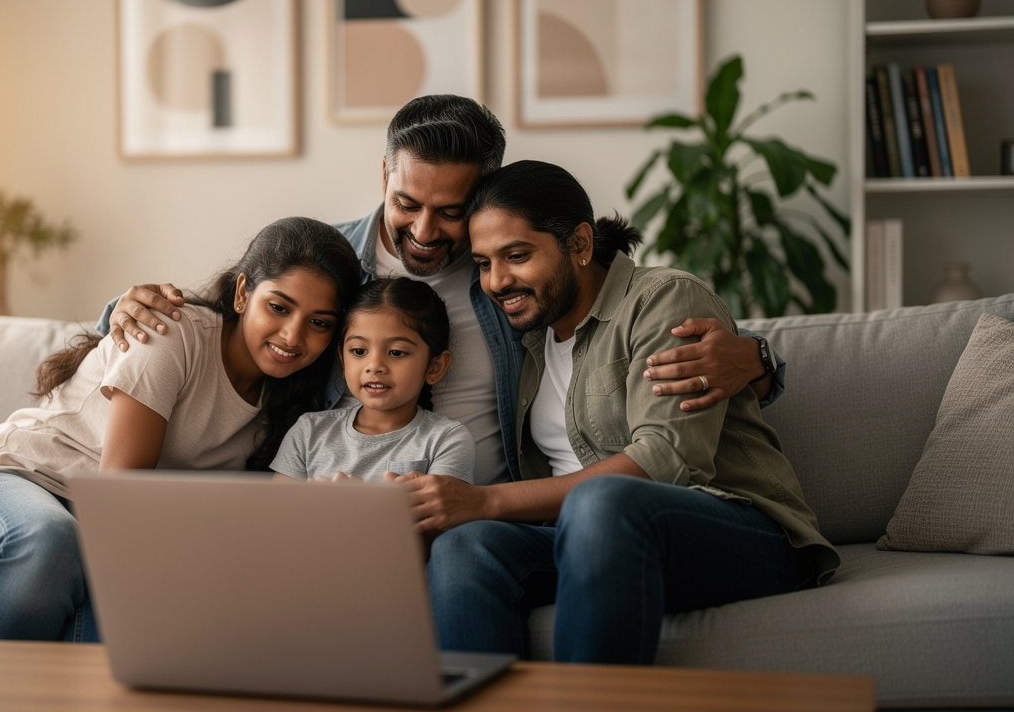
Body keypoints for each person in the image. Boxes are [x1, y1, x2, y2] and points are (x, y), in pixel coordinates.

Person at [100, 95, 783, 490]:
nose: (425, 231)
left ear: (483, 195)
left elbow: (620, 306)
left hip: (483, 505)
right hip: (336, 508)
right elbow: (232, 317)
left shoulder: (511, 277)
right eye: (407, 202)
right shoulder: (330, 262)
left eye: (451, 210)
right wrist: (121, 310)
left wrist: (757, 358)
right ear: (385, 177)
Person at [419, 160, 839, 664]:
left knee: (599, 503)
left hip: (737, 533)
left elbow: (665, 459)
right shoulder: (525, 336)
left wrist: (483, 501)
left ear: (579, 244)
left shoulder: (662, 298)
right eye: (484, 263)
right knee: (464, 548)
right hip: (587, 545)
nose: (496, 281)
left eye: (517, 255)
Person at [0, 218, 362, 642]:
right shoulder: (171, 332)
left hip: (90, 534)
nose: (292, 335)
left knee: (136, 634)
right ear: (244, 292)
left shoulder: (293, 407)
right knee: (51, 541)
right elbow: (121, 496)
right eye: (279, 307)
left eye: (319, 323)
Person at [271, 277, 474, 484]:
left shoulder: (447, 440)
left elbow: (440, 512)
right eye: (359, 351)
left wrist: (358, 505)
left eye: (396, 352)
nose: (374, 365)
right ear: (343, 359)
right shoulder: (308, 432)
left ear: (434, 367)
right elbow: (277, 512)